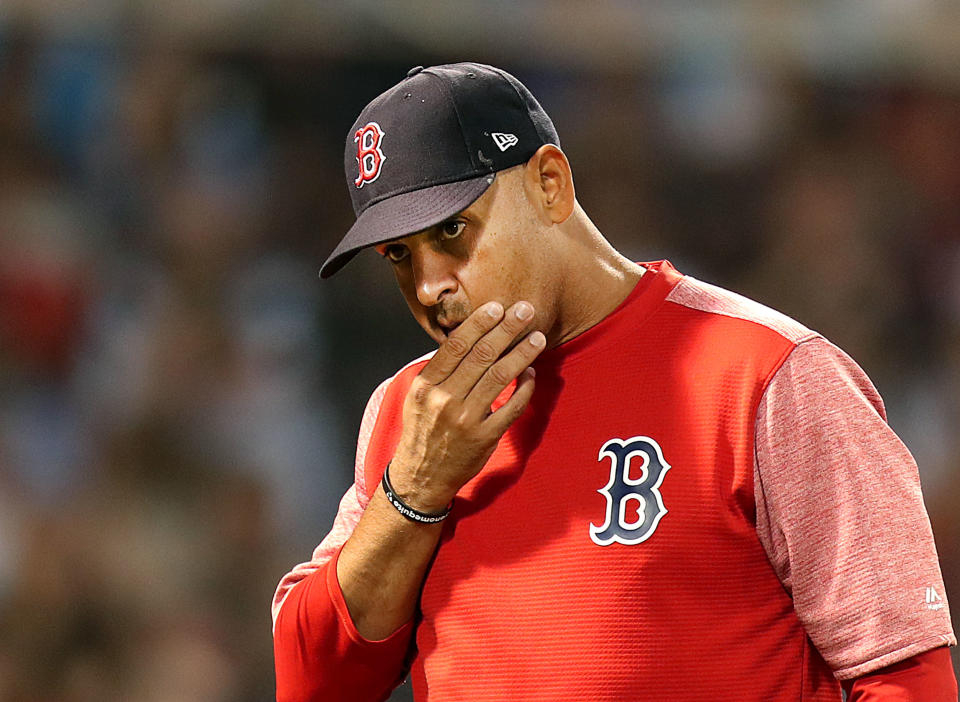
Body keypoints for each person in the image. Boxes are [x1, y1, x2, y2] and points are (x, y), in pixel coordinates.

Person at [272, 62, 957, 701]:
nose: (429, 286)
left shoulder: (766, 373)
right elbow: (314, 683)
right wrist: (413, 494)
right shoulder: (408, 413)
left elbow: (904, 676)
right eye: (399, 254)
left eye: (452, 230)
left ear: (549, 184)